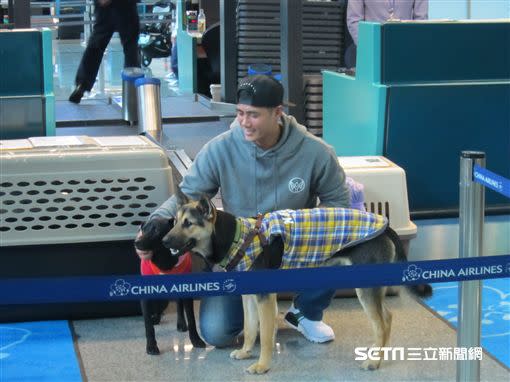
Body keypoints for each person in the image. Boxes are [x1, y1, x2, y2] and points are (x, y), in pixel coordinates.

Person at [136, 74, 350, 347]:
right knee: (217, 333)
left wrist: (311, 233)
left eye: (253, 115)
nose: (244, 122)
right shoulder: (220, 149)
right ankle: (252, 313)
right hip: (237, 255)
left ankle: (305, 312)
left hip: (293, 250)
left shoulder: (316, 152)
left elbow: (341, 206)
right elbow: (188, 194)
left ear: (278, 113)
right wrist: (153, 224)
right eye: (239, 113)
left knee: (340, 246)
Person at [69, 0, 140, 104]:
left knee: (96, 45)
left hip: (109, 7)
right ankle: (133, 89)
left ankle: (82, 85)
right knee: (130, 46)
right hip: (124, 6)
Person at [345, 0, 428, 67]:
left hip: (405, 51)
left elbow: (421, 20)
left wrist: (411, 48)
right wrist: (368, 48)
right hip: (371, 51)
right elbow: (354, 21)